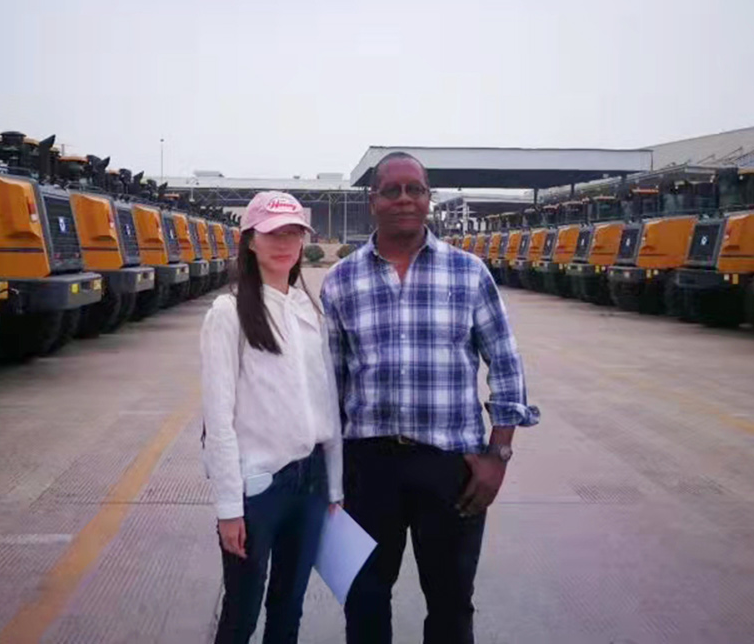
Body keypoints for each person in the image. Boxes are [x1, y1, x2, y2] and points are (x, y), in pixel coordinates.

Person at [320, 153, 540, 644]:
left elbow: (505, 364)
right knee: (365, 597)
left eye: (415, 190)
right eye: (392, 190)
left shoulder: (469, 273)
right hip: (367, 468)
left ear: (428, 200)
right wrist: (331, 476)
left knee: (450, 601)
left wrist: (497, 456)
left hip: (451, 467)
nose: (404, 199)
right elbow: (331, 386)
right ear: (372, 200)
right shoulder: (341, 281)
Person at [201, 191, 344, 644]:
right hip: (259, 488)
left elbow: (328, 406)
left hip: (310, 485)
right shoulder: (229, 313)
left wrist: (334, 488)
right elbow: (218, 421)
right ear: (249, 242)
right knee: (241, 612)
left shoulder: (311, 311)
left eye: (293, 233)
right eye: (272, 233)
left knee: (288, 607)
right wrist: (228, 509)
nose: (284, 243)